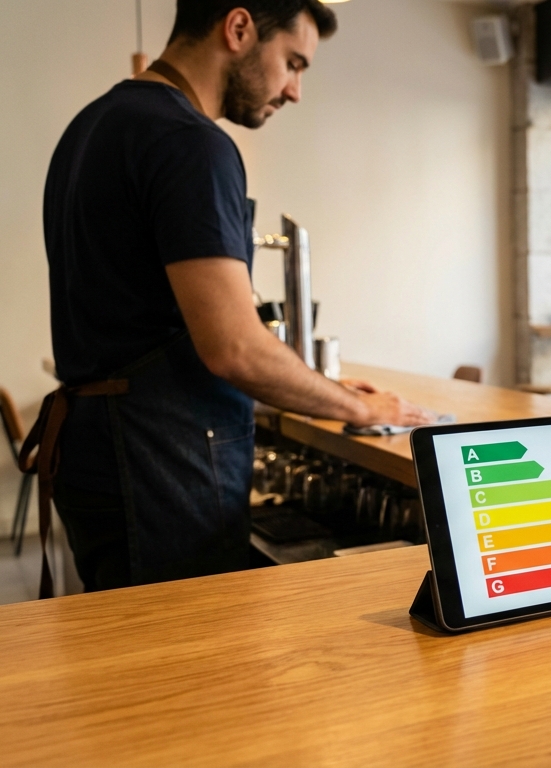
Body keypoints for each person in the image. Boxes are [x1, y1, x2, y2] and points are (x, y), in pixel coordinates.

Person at [39, 0, 433, 594]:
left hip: (103, 451)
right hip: (157, 464)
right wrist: (359, 410)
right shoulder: (189, 141)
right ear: (240, 28)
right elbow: (234, 348)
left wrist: (318, 386)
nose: (295, 90)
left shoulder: (94, 124)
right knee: (185, 673)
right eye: (292, 62)